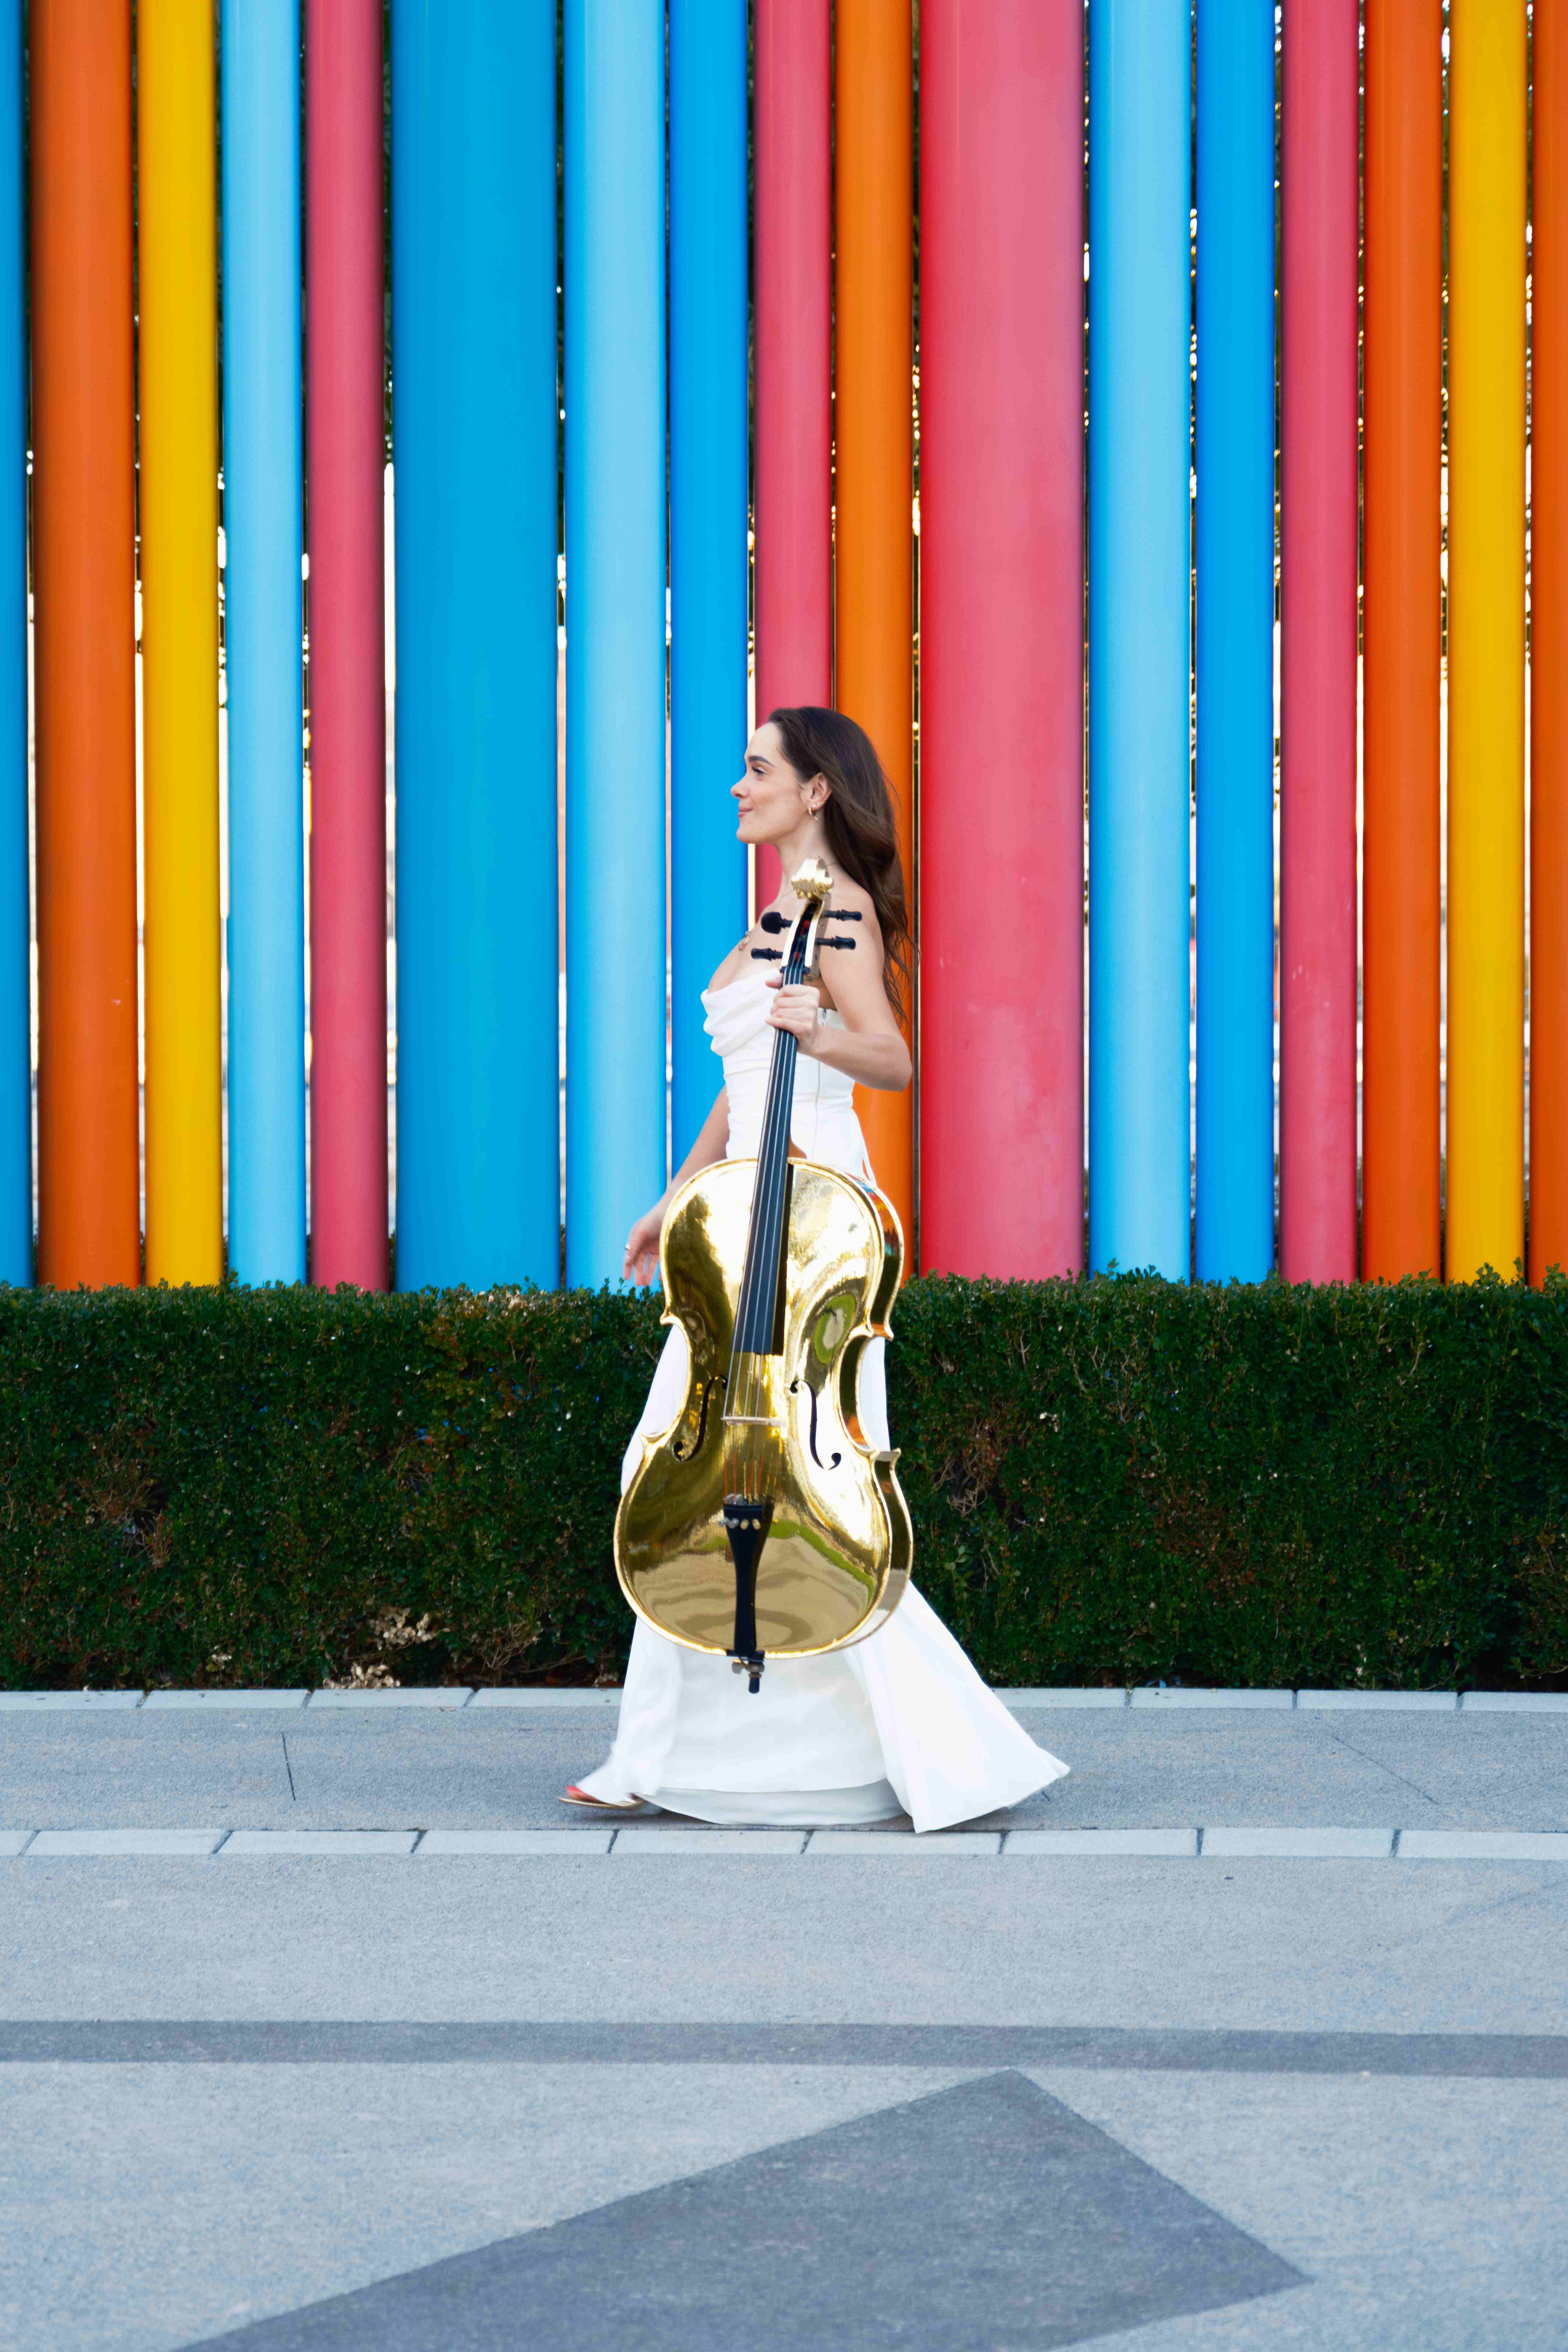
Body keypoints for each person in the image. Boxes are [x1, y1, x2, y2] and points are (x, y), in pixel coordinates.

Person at [567, 706, 1067, 1831]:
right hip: (742, 1204)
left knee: (806, 1485)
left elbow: (887, 1055)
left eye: (758, 770)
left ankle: (934, 1752)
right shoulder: (774, 913)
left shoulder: (834, 913)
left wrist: (818, 1031)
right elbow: (745, 1081)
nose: (738, 785)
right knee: (696, 1470)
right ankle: (667, 1753)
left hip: (811, 1215)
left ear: (816, 791)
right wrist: (674, 1195)